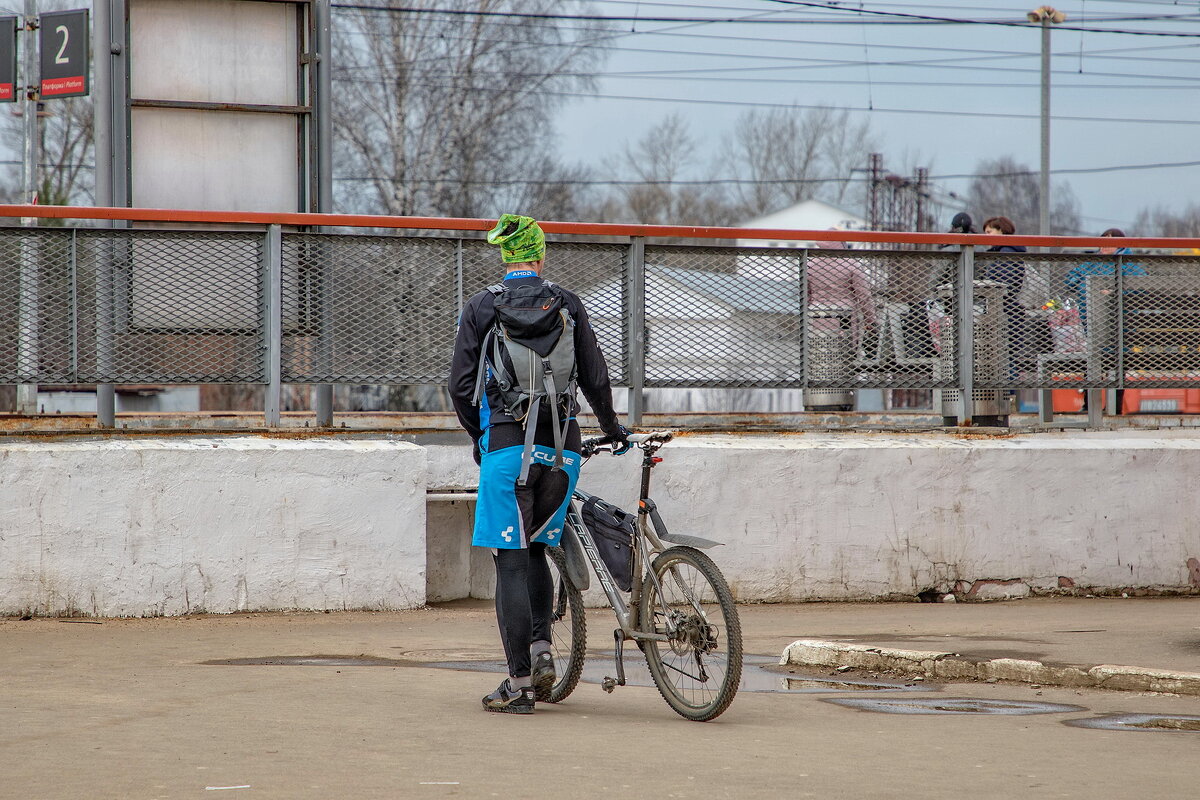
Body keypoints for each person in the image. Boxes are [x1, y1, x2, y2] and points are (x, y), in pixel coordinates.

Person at [449, 213, 627, 715]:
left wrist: (481, 436)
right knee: (538, 548)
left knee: (509, 558)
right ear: (540, 256)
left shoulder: (482, 306)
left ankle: (520, 683)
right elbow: (595, 376)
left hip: (508, 450)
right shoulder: (567, 303)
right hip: (563, 452)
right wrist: (612, 430)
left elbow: (461, 387)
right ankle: (544, 648)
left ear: (506, 258)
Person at [1064, 228, 1147, 328]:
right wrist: (1078, 283)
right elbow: (1072, 278)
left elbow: (1142, 287)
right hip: (1090, 319)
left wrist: (1115, 293)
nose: (1104, 245)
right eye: (1102, 241)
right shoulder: (1092, 263)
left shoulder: (1128, 264)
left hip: (1121, 320)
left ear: (1120, 244)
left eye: (1109, 242)